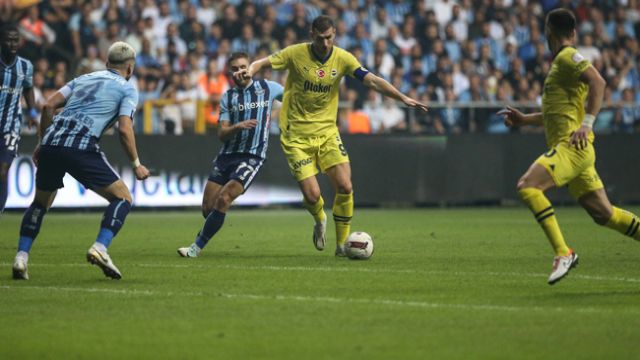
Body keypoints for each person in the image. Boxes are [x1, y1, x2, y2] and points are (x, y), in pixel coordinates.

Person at [237, 16, 428, 256]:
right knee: (313, 195)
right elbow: (262, 62)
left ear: (334, 34)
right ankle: (319, 220)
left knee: (346, 186)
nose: (325, 43)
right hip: (296, 134)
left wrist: (402, 97)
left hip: (327, 132)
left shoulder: (343, 58)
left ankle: (341, 245)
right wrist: (249, 70)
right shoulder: (295, 53)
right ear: (311, 35)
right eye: (320, 38)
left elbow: (373, 81)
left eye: (329, 38)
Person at [499, 9, 640, 285]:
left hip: (571, 148)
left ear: (548, 31)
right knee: (605, 214)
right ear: (573, 32)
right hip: (578, 150)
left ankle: (564, 253)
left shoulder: (566, 57)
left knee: (528, 186)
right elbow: (556, 113)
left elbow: (598, 81)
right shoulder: (559, 65)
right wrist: (524, 119)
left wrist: (587, 123)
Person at [12, 41, 150, 280]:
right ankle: (100, 247)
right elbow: (125, 129)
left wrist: (42, 143)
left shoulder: (83, 78)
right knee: (123, 198)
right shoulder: (128, 89)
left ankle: (21, 258)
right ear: (130, 69)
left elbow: (47, 106)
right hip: (80, 145)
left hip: (52, 144)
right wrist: (136, 164)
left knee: (40, 203)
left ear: (107, 64)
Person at [177, 52, 283, 258]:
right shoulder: (228, 97)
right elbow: (221, 134)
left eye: (243, 66)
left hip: (252, 156)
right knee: (208, 209)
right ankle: (216, 219)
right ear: (230, 73)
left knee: (224, 198)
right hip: (227, 156)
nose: (240, 71)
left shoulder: (268, 88)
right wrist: (238, 126)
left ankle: (195, 248)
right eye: (234, 69)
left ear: (250, 67)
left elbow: (293, 98)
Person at [0, 23, 38, 214]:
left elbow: (29, 87)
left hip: (10, 126)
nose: (13, 43)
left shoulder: (26, 66)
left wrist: (32, 112)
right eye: (9, 39)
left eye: (16, 39)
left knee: (3, 170)